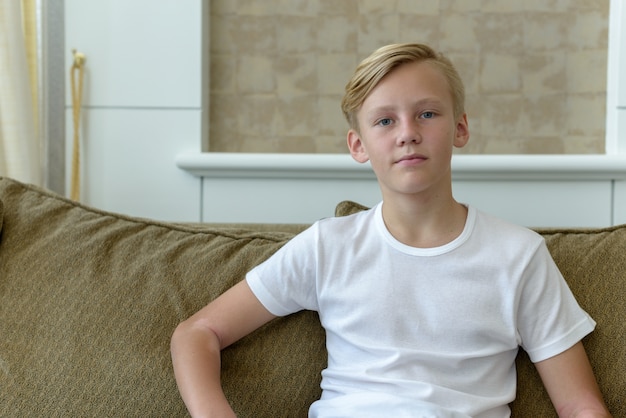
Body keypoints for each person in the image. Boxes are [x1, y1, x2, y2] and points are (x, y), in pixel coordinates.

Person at [171, 43, 611, 418]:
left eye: (427, 114)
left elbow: (580, 407)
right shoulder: (328, 246)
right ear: (358, 145)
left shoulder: (519, 256)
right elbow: (196, 333)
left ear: (460, 128)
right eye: (385, 120)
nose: (407, 134)